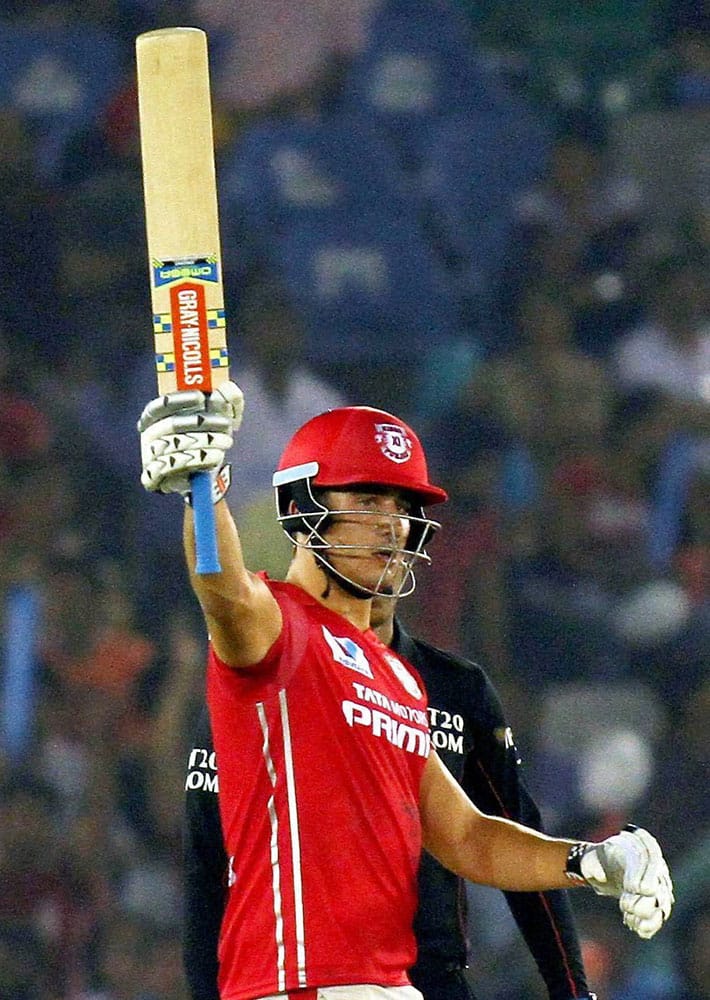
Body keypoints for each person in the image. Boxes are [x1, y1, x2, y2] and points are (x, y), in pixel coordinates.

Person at [138, 385, 673, 1000]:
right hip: (299, 985)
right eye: (368, 497)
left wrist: (589, 860)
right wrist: (201, 494)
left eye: (403, 504)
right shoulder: (278, 627)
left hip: (393, 987)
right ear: (300, 506)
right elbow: (221, 587)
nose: (392, 524)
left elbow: (468, 837)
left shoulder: (399, 676)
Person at [183, 592, 595, 1000]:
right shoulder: (265, 674)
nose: (385, 547)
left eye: (396, 529)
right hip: (313, 977)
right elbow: (207, 862)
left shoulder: (454, 687)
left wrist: (573, 990)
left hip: (433, 980)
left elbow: (505, 835)